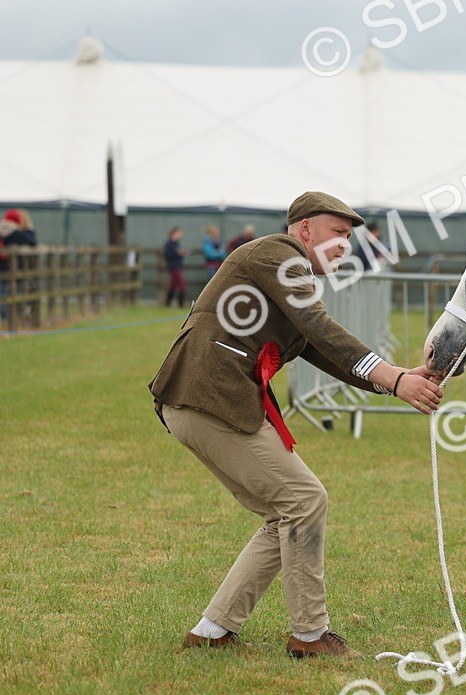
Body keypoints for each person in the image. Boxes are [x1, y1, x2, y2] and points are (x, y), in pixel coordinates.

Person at [150, 191, 444, 659]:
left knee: (286, 510)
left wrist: (396, 380)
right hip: (209, 400)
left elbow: (320, 348)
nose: (346, 245)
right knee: (304, 500)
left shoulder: (283, 269)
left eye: (350, 237)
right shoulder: (277, 255)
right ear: (304, 229)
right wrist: (393, 377)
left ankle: (213, 629)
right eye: (338, 233)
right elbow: (321, 327)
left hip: (201, 401)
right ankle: (309, 635)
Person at [163, 227, 189, 307]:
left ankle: (168, 303)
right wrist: (178, 253)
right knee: (181, 285)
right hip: (173, 266)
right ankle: (181, 304)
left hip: (178, 266)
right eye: (178, 233)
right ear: (173, 233)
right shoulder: (168, 244)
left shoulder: (177, 244)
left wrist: (183, 252)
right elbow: (168, 255)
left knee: (173, 285)